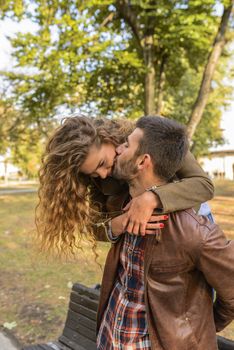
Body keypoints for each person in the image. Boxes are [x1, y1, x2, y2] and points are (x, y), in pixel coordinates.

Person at [96, 116, 234, 349]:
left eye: (127, 145)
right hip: (109, 337)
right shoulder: (120, 205)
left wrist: (199, 327)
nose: (118, 149)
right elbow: (92, 227)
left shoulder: (195, 232)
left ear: (142, 162)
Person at [36, 115, 214, 255]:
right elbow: (93, 224)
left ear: (107, 137)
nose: (104, 174)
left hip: (191, 219)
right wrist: (117, 224)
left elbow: (203, 185)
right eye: (93, 173)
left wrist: (151, 198)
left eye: (101, 163)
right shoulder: (99, 177)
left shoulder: (152, 137)